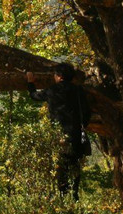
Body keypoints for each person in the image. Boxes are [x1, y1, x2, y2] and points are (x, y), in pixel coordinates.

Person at [26, 63, 91, 200]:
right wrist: (81, 126)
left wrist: (30, 82)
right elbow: (86, 112)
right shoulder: (79, 91)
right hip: (76, 135)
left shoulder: (52, 91)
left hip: (58, 136)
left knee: (61, 168)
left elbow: (34, 96)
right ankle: (74, 196)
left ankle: (63, 198)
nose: (54, 77)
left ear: (59, 76)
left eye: (55, 75)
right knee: (75, 166)